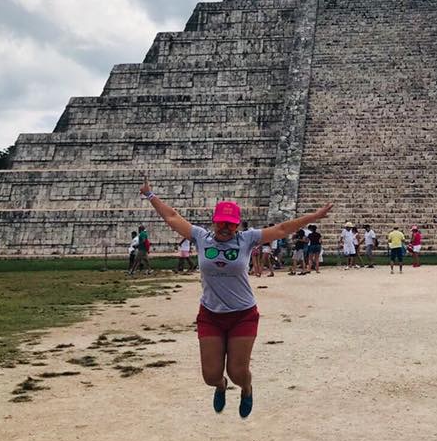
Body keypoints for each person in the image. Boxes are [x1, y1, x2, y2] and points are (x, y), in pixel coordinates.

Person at [139, 177, 332, 417]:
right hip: (211, 314)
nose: (225, 228)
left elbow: (282, 229)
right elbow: (172, 217)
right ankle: (221, 387)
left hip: (243, 314)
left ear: (237, 225)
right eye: (222, 223)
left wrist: (313, 216)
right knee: (211, 376)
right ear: (214, 221)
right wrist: (150, 195)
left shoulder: (246, 239)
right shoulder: (200, 236)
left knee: (238, 373)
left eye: (231, 225)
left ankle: (246, 389)